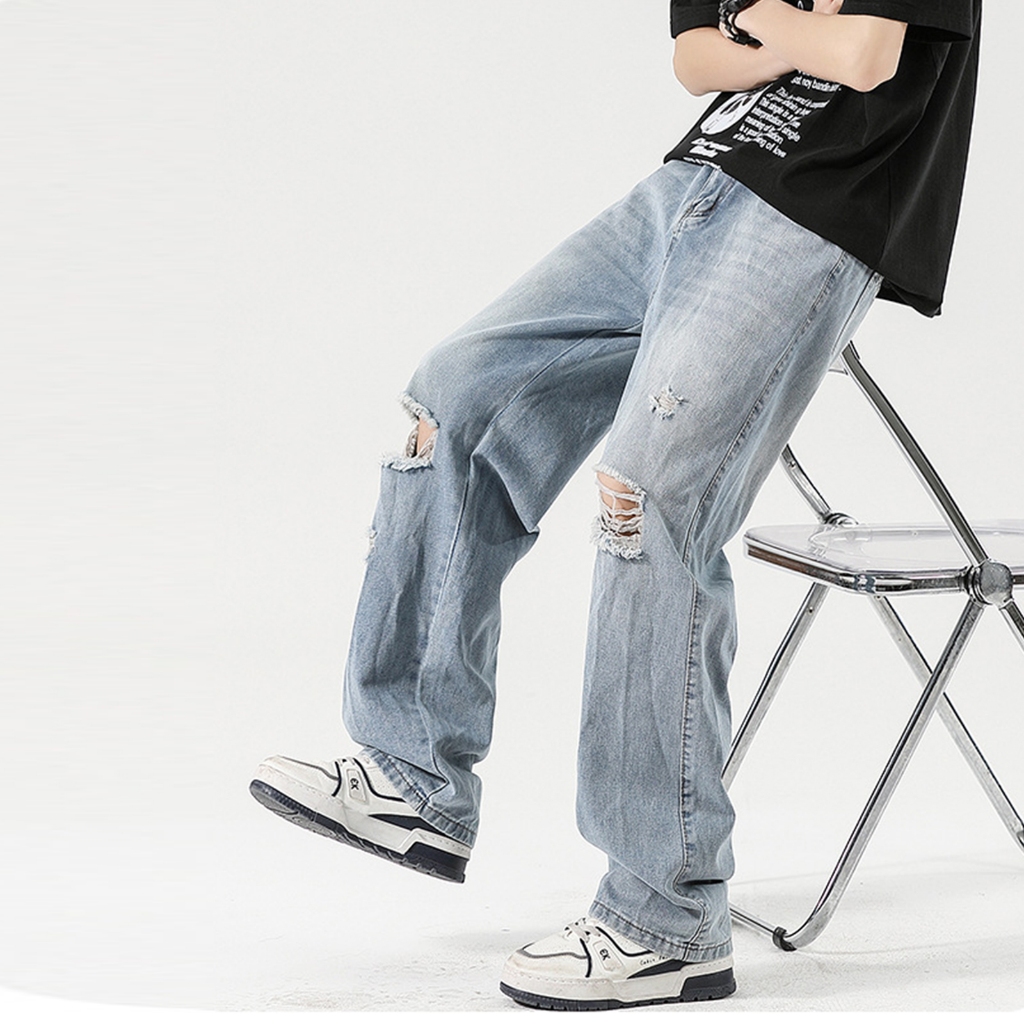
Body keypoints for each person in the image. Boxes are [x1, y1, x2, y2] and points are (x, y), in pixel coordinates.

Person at [249, 0, 982, 1010]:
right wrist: (786, 27)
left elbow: (864, 54)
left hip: (818, 212)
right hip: (684, 187)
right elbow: (695, 61)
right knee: (457, 396)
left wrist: (759, 24)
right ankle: (411, 774)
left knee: (647, 496)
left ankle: (664, 917)